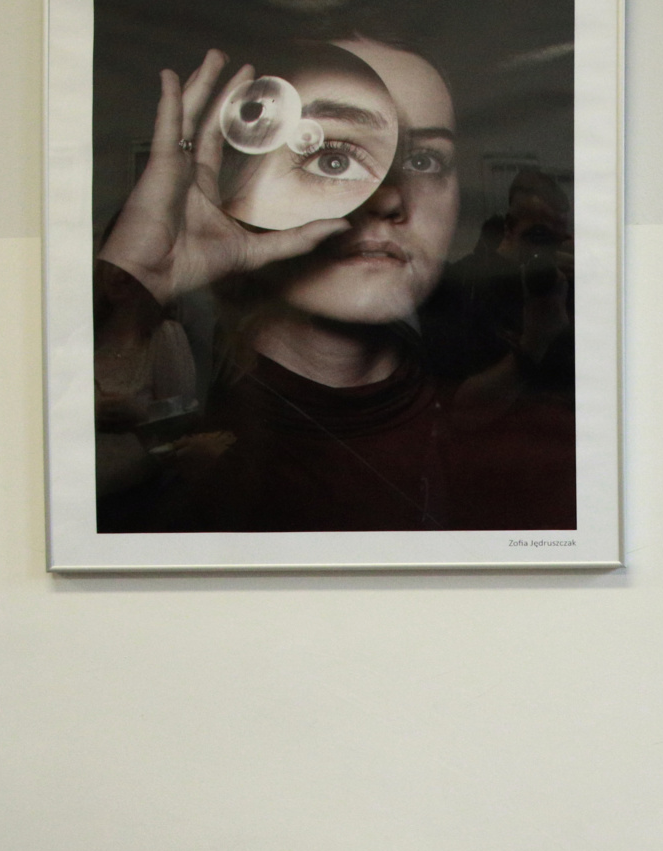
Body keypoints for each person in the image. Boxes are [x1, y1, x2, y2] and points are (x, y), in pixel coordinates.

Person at [92, 21, 575, 534]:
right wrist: (136, 287)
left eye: (422, 159)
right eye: (333, 157)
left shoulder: (526, 440)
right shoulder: (189, 463)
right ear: (234, 188)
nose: (390, 198)